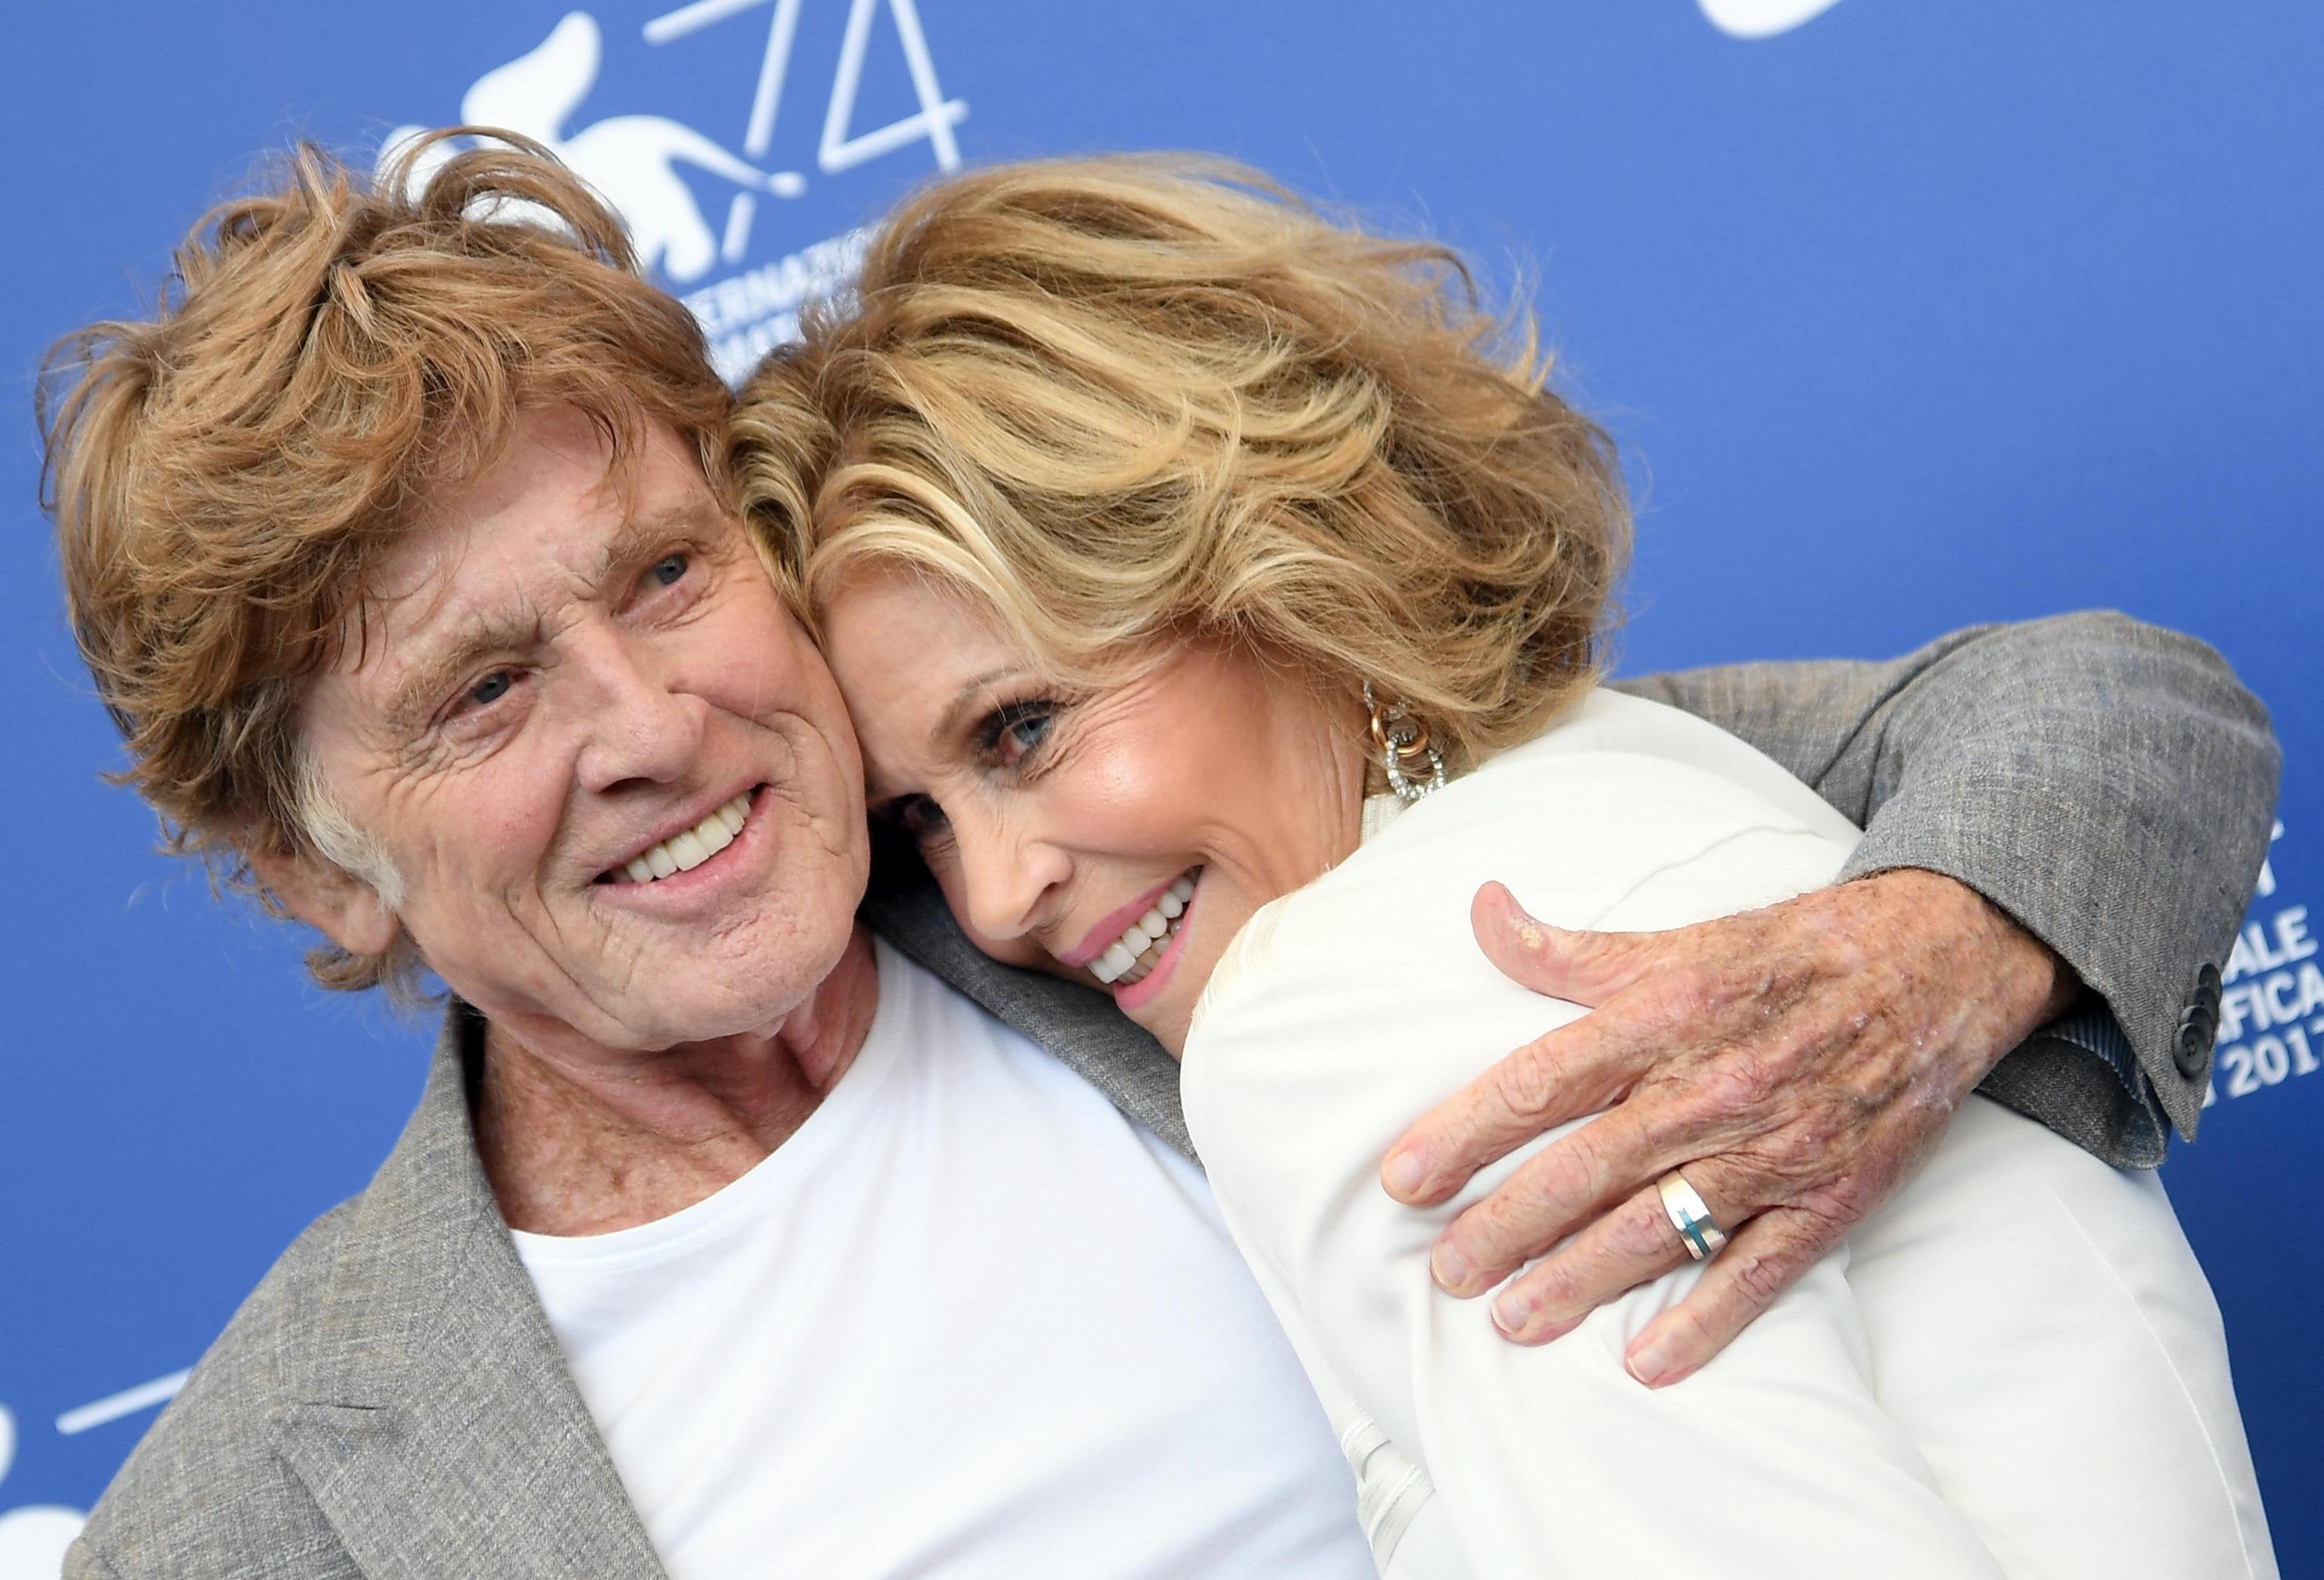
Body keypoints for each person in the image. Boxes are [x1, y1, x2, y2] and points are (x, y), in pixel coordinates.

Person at [36, 132, 2275, 1578]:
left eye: (664, 574)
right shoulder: (270, 1511)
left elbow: (2099, 712)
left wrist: (1908, 971)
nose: (650, 727)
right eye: (486, 692)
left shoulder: (1219, 872)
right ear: (314, 869)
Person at [737, 154, 2279, 1576]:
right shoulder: (1632, 778)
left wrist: (1945, 952)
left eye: (1022, 729)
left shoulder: (1327, 1006)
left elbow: (2122, 703)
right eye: (919, 822)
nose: (992, 896)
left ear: (1273, 574)